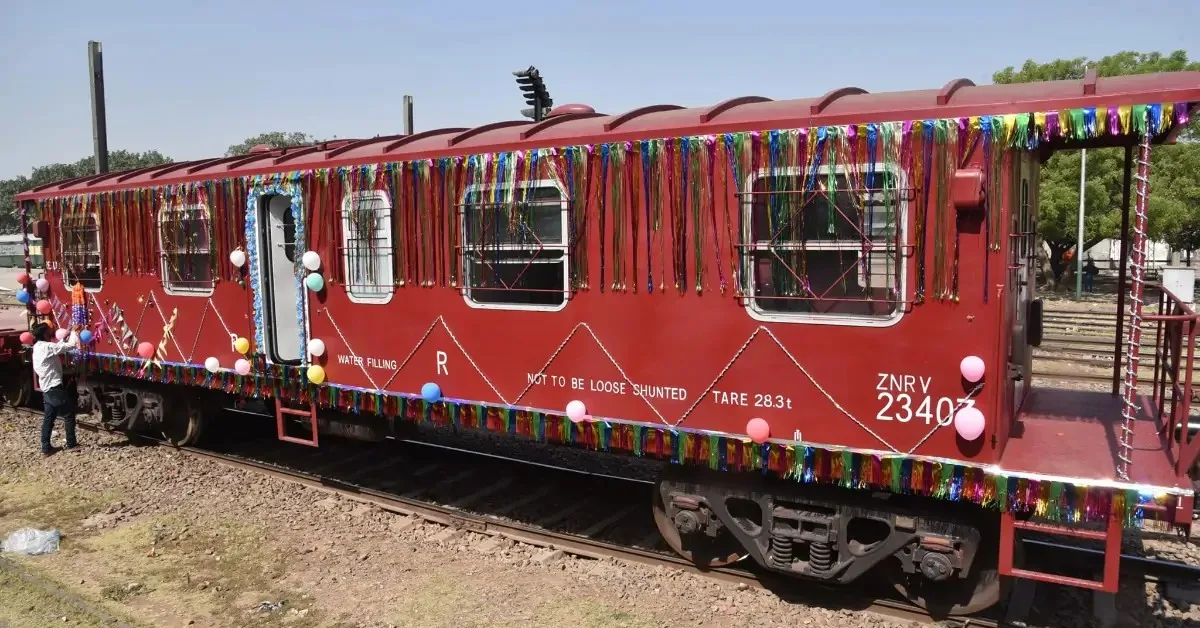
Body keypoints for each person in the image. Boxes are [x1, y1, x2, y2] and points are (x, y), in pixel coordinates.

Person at [31, 323, 80, 456]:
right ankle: (71, 444)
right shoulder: (47, 347)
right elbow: (69, 346)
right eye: (49, 332)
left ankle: (46, 448)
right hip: (54, 386)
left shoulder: (37, 347)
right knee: (69, 414)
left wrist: (67, 334)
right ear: (45, 334)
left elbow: (58, 346)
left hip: (46, 387)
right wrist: (75, 332)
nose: (51, 334)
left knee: (49, 418)